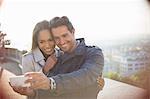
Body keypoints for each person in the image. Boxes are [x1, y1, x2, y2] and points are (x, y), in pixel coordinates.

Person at [24, 16, 104, 99]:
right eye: (57, 38)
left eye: (65, 35)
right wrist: (32, 94)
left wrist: (51, 83)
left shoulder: (93, 53)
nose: (61, 42)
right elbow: (49, 93)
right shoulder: (57, 58)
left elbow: (86, 75)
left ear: (73, 32)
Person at [10, 20, 60, 98]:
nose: (47, 45)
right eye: (42, 42)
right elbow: (30, 88)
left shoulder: (61, 54)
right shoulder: (28, 59)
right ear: (37, 42)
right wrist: (45, 69)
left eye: (50, 40)